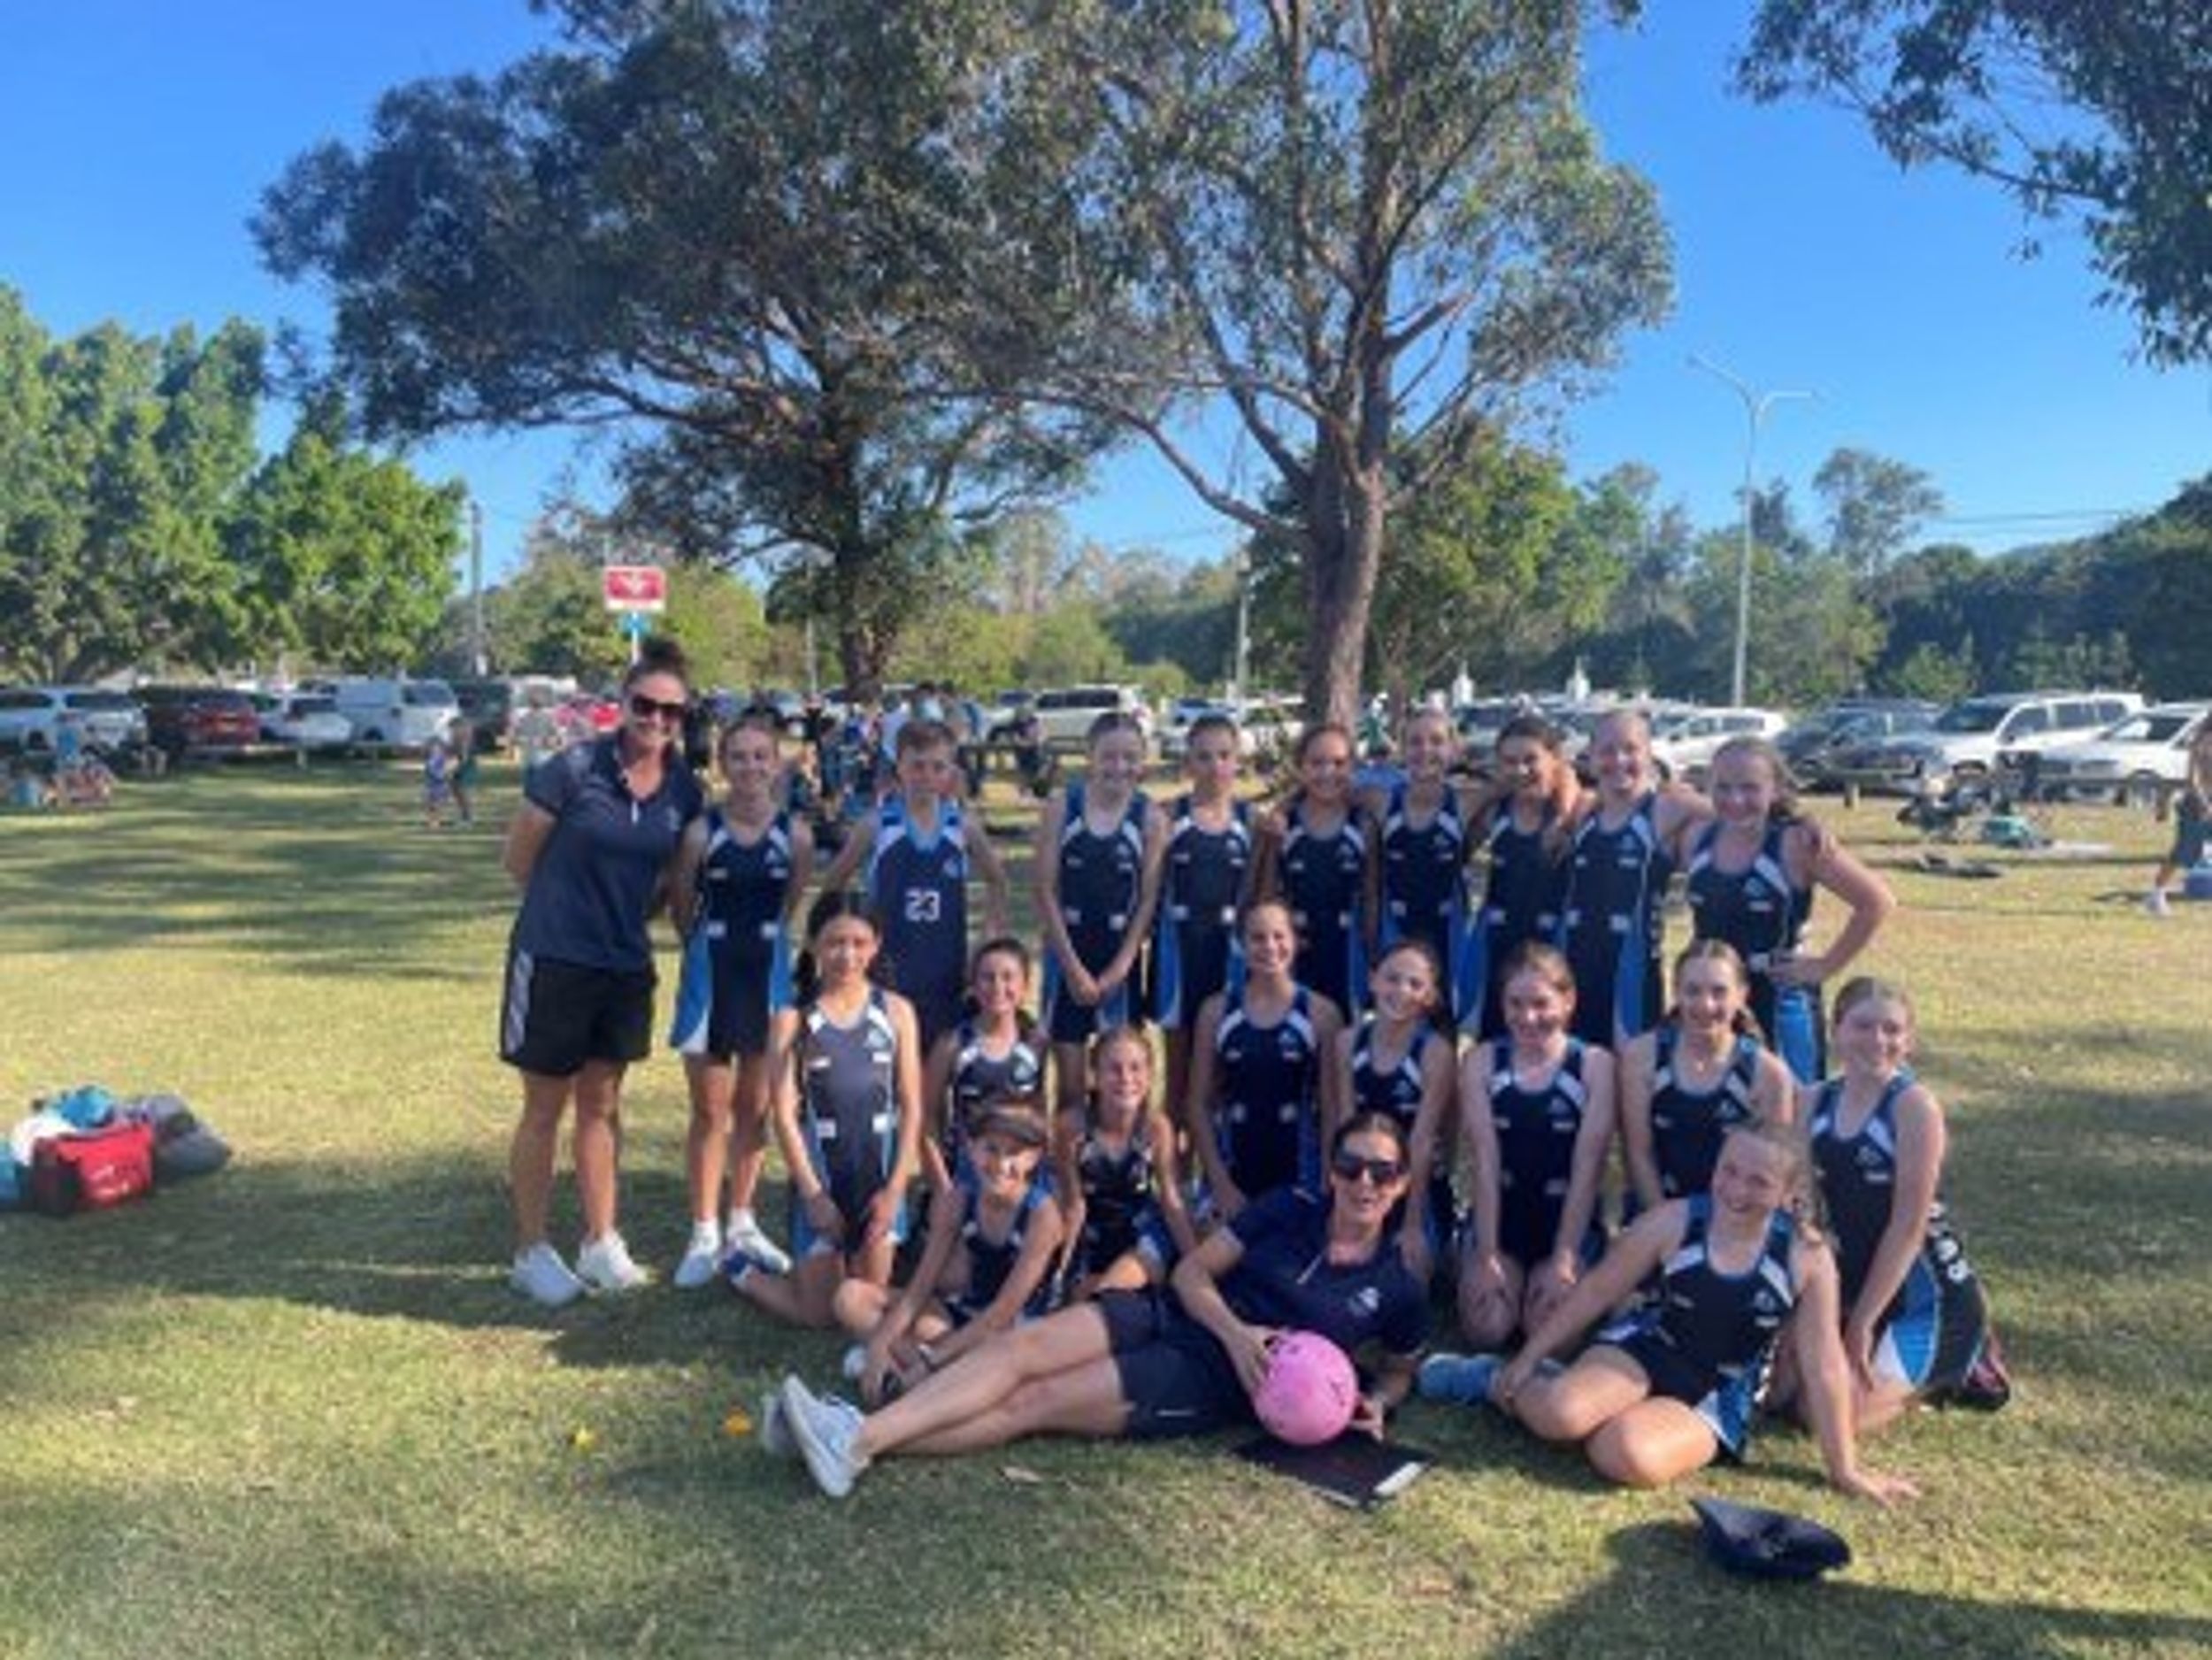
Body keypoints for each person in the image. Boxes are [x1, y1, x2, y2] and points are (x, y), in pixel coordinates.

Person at [772, 1111, 1431, 1499]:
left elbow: (1402, 1366)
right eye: (1351, 1167)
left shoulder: (1398, 1284)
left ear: (1402, 1184)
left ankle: (855, 1439)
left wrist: (1381, 1399)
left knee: (1033, 1402)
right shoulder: (1290, 1208)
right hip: (1175, 1313)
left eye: (1382, 1172)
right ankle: (851, 1438)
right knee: (1021, 1348)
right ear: (1332, 1172)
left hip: (1210, 1382)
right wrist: (1236, 1332)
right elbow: (1193, 1272)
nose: (1364, 1182)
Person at [1417, 1119, 1917, 1502]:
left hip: (1716, 1392)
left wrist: (1844, 1470)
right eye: (1729, 1171)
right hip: (1647, 1350)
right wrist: (1529, 1355)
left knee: (1626, 1455)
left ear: (1790, 1196)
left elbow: (1824, 1364)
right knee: (1562, 1415)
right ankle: (1491, 1379)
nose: (1737, 1190)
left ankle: (1588, 1396)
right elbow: (1595, 1293)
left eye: (1759, 1182)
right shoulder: (1674, 1222)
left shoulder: (1807, 1257)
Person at [499, 638, 703, 1305]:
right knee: (544, 1108)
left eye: (672, 712)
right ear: (623, 702)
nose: (657, 721)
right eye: (645, 705)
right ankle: (531, 1250)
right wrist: (569, 914)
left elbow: (672, 881)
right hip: (555, 958)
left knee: (603, 1104)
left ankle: (600, 1238)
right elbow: (519, 860)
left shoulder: (684, 789)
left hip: (624, 965)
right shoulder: (575, 768)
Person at [1801, 977, 1998, 1431]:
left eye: (1892, 1030)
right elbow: (1803, 1213)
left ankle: (1957, 1366)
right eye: (1862, 1026)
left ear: (1909, 1041)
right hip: (1853, 1286)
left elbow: (1908, 1228)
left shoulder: (1913, 1107)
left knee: (1825, 1416)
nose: (1877, 1040)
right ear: (1836, 1030)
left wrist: (1861, 1323)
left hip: (1924, 1300)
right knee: (1787, 1393)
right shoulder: (1812, 1101)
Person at [665, 709, 816, 1288]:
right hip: (712, 974)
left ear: (776, 764)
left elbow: (791, 900)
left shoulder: (795, 834)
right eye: (738, 757)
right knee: (710, 1110)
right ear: (722, 765)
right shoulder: (701, 834)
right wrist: (703, 946)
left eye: (760, 756)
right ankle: (704, 1231)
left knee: (755, 1108)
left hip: (767, 976)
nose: (750, 767)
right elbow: (683, 905)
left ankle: (742, 1220)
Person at [727, 893, 924, 1329]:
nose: (847, 955)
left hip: (878, 1185)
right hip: (821, 1185)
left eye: (859, 943)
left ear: (876, 945)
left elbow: (912, 1108)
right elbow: (784, 1115)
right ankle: (744, 1272)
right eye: (835, 942)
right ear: (814, 943)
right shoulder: (792, 1019)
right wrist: (814, 1197)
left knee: (861, 1303)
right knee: (820, 1315)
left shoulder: (897, 1012)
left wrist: (894, 1192)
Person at [1684, 735, 1894, 1080]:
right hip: (1713, 1000)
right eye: (1723, 787)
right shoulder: (1696, 838)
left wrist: (1825, 965)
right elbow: (1663, 796)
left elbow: (1876, 901)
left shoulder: (1796, 843)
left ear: (1777, 789)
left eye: (1750, 788)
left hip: (1778, 998)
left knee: (1794, 1103)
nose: (1735, 799)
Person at [834, 1095, 1065, 1406]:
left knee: (991, 1360)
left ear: (1034, 1158)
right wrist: (880, 1344)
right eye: (991, 1149)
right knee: (849, 1297)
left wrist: (929, 1363)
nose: (1000, 1165)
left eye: (1014, 1153)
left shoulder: (1042, 1216)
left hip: (1009, 1333)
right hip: (961, 1316)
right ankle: (905, 1370)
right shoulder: (957, 1201)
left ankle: (914, 1373)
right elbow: (919, 1289)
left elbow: (1002, 1313)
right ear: (971, 1148)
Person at [1454, 943, 1617, 1350]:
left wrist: (1565, 1256)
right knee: (1487, 1329)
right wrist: (1487, 1252)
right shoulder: (1481, 1061)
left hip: (1566, 1220)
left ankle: (1558, 1276)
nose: (1528, 1017)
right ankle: (1493, 1268)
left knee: (1554, 1338)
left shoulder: (1594, 1065)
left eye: (1541, 1003)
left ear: (1568, 1000)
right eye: (1515, 1003)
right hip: (1503, 1217)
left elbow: (1588, 1167)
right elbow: (1485, 1162)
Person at [817, 718, 1010, 1053]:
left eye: (938, 767)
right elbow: (834, 883)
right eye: (917, 766)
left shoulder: (962, 827)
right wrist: (849, 938)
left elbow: (997, 880)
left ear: (951, 771)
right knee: (888, 1065)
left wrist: (986, 938)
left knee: (938, 1063)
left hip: (945, 967)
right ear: (899, 768)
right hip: (886, 969)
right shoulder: (877, 824)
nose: (927, 776)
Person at [1037, 711, 1168, 1120]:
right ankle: (1069, 1158)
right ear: (1089, 757)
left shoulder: (1150, 818)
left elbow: (1148, 900)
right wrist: (1071, 968)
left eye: (1130, 757)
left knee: (1123, 1084)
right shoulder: (1063, 807)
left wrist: (1121, 967)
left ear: (1142, 761)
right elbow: (1045, 890)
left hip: (1118, 964)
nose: (1119, 767)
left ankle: (1125, 1158)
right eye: (1109, 756)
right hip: (1067, 959)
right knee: (1071, 1088)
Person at [1185, 900, 1345, 1223]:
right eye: (1257, 938)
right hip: (1233, 1169)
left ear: (1295, 941)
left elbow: (1332, 1107)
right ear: (1241, 944)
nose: (1270, 947)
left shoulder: (1322, 1014)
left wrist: (1329, 1180)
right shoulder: (1215, 1012)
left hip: (1299, 1171)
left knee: (1285, 1251)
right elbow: (1197, 1104)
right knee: (1213, 1248)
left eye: (1279, 936)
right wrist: (1220, 1184)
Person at [1558, 709, 1709, 1048]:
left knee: (1632, 1071)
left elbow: (1738, 812)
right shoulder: (1584, 811)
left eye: (1630, 749)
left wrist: (1798, 820)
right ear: (1591, 756)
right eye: (1607, 750)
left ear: (1650, 755)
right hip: (1574, 972)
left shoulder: (1666, 808)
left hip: (1633, 978)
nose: (1619, 760)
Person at [1618, 940, 1794, 1216]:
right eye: (1693, 991)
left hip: (1735, 1219)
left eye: (1719, 992)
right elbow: (1638, 1154)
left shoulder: (1769, 1074)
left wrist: (1723, 1232)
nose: (1706, 1005)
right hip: (1656, 1216)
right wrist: (1667, 1226)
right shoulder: (1642, 1057)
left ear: (1742, 995)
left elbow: (1771, 1172)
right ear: (1676, 992)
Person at [1330, 939, 1456, 1287]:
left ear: (1430, 996)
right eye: (1392, 978)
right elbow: (1345, 1127)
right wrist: (1341, 1208)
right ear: (1372, 980)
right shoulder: (1347, 1042)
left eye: (1415, 984)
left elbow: (1422, 1140)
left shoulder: (1435, 1052)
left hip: (1412, 1187)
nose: (1402, 991)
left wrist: (1412, 1225)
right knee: (1336, 1265)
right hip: (1360, 1178)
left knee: (1409, 1277)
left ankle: (1440, 1242)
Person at [1150, 711, 1254, 1134]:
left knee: (1222, 1069)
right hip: (1179, 953)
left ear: (1238, 761)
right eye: (1204, 757)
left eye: (1224, 756)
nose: (1215, 766)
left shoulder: (1251, 820)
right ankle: (1173, 1165)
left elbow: (1258, 894)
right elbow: (1150, 892)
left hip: (1230, 956)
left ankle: (1214, 1163)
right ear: (1188, 762)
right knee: (1177, 1074)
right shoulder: (1167, 816)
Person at [1059, 1025, 1197, 1300]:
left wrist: (1197, 1264)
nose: (1126, 1078)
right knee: (1080, 1298)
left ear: (1150, 1075)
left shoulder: (1156, 1128)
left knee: (1109, 1290)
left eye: (1136, 1068)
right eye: (1114, 1069)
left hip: (1141, 1234)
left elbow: (1170, 1201)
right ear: (1094, 1076)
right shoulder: (1073, 1127)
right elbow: (1074, 1205)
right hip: (1093, 1233)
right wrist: (1059, 1271)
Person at [1254, 722, 1377, 1021]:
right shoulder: (1283, 823)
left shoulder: (1364, 824)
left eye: (1339, 763)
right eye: (1317, 763)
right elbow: (1267, 893)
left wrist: (1373, 955)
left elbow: (1371, 896)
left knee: (1344, 1034)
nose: (1327, 772)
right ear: (1300, 767)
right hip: (1294, 951)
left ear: (1353, 766)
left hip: (1346, 953)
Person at [1463, 715, 1576, 1040]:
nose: (1521, 769)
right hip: (1500, 947)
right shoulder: (1493, 814)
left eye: (1530, 759)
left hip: (1555, 950)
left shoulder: (1578, 811)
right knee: (1496, 1042)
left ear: (1554, 759)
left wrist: (1564, 814)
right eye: (1509, 761)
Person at [918, 938, 1049, 1195]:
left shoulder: (1036, 1042)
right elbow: (928, 1120)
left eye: (1008, 977)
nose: (998, 987)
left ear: (1025, 986)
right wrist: (942, 1187)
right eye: (988, 978)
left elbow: (1039, 1112)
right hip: (965, 1170)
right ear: (974, 985)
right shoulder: (952, 1044)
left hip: (1019, 1171)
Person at [1371, 706, 1471, 1024]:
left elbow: (1526, 777)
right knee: (1395, 1025)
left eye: (1437, 741)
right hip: (1395, 931)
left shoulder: (1468, 801)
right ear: (1401, 749)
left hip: (1447, 936)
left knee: (1441, 1026)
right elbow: (1322, 786)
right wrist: (1281, 809)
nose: (1425, 750)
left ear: (1454, 748)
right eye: (1414, 742)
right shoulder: (1380, 800)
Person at [2147, 720, 2212, 915]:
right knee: (2183, 854)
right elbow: (2193, 778)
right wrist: (2204, 803)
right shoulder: (2202, 741)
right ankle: (2156, 895)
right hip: (2197, 805)